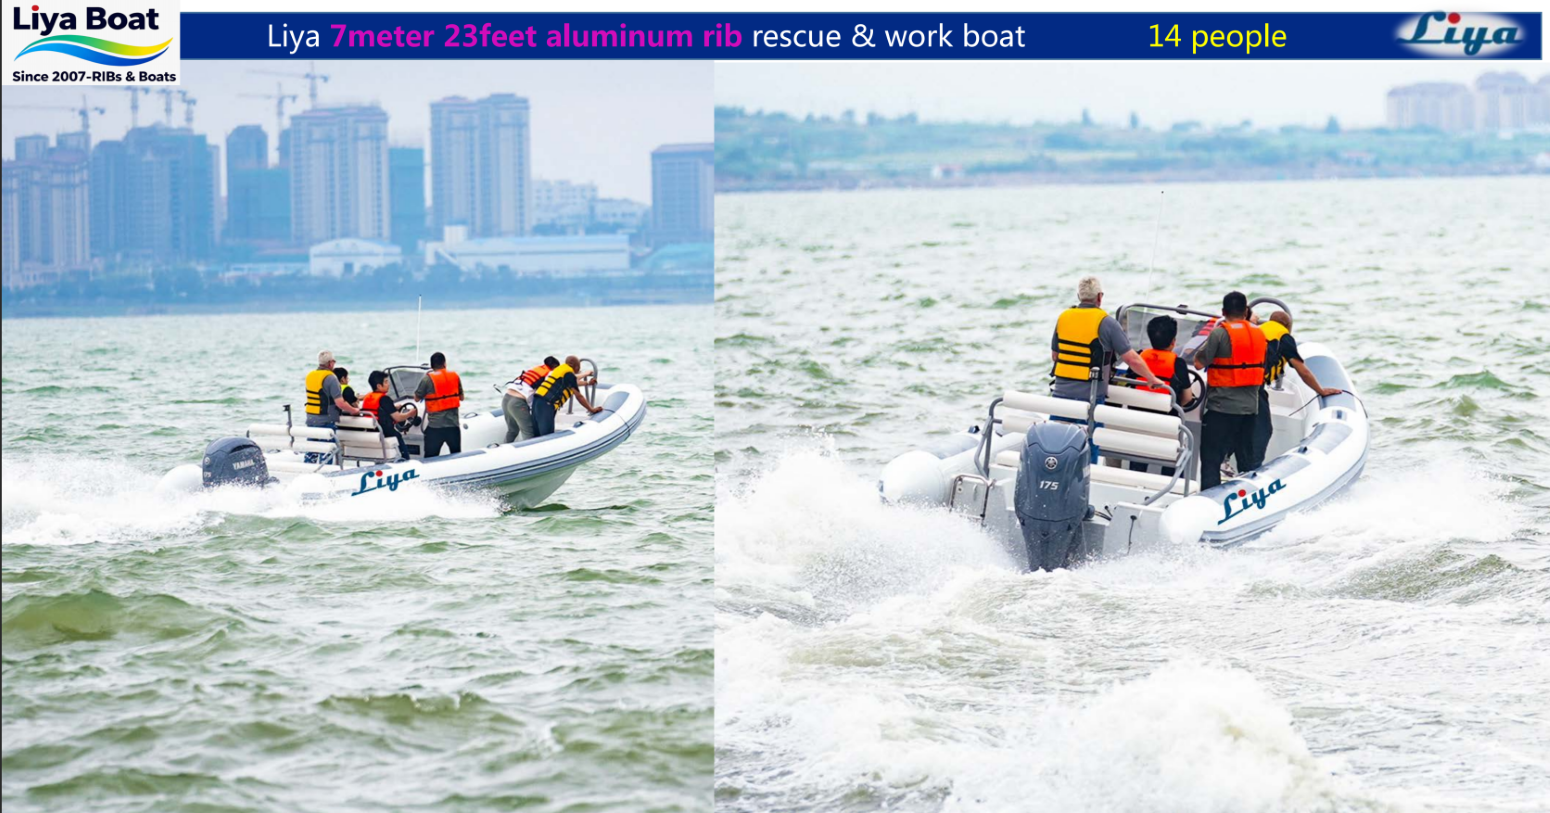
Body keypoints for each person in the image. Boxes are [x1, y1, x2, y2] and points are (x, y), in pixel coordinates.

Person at [1050, 276, 1169, 462]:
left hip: (1060, 395)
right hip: (1088, 397)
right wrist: (1152, 379)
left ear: (1078, 296)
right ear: (1100, 297)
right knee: (1088, 447)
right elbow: (1131, 359)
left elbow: (1055, 355)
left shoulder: (1063, 317)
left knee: (1057, 445)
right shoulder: (1106, 322)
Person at [1192, 291, 1266, 489]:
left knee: (1211, 460)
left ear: (1223, 311)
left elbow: (1199, 363)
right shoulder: (1259, 333)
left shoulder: (1220, 333)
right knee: (1246, 462)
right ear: (1245, 311)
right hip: (1250, 409)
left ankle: (1209, 501)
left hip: (1221, 409)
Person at [1253, 310, 1342, 466]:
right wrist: (1321, 390)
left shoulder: (1257, 330)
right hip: (1254, 388)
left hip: (1237, 384)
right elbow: (1303, 372)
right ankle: (1250, 469)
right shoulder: (1284, 337)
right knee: (1263, 431)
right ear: (1288, 326)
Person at [1130, 315, 1196, 475]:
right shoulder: (1178, 364)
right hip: (1167, 428)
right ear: (1173, 341)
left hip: (1139, 425)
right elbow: (1187, 399)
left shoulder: (1139, 357)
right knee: (1177, 448)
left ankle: (1137, 477)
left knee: (1138, 455)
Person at [304, 350, 369, 462]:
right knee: (328, 450)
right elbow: (340, 402)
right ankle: (326, 473)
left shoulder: (310, 375)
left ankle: (308, 469)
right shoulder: (331, 378)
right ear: (330, 363)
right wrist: (354, 410)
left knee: (312, 448)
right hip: (325, 419)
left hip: (310, 418)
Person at [531, 355, 603, 437]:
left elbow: (572, 383)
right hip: (546, 404)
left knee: (537, 435)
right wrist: (591, 409)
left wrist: (587, 383)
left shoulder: (560, 370)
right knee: (547, 436)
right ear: (576, 367)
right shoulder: (569, 374)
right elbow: (579, 396)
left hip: (537, 401)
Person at [414, 351, 464, 458]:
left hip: (435, 427)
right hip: (453, 426)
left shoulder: (427, 379)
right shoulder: (454, 376)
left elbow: (417, 398)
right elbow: (461, 397)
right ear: (445, 364)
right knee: (456, 456)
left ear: (431, 366)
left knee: (429, 459)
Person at [361, 370, 417, 460]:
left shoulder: (368, 397)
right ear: (379, 386)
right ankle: (405, 460)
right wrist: (410, 413)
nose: (389, 384)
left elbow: (379, 409)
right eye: (386, 382)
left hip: (370, 431)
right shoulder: (385, 399)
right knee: (398, 435)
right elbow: (398, 418)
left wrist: (394, 407)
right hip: (384, 432)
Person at [502, 356, 558, 443]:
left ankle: (503, 451)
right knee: (528, 432)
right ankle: (530, 454)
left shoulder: (536, 369)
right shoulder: (548, 374)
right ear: (554, 367)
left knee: (512, 430)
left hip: (506, 398)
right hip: (517, 402)